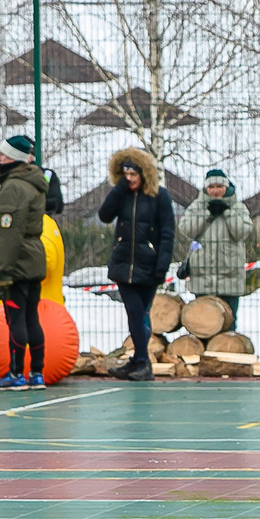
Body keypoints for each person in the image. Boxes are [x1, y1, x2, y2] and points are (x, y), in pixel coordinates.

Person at [98, 145, 175, 381]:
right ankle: (140, 361)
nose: (129, 179)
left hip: (148, 265)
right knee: (134, 312)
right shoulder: (122, 195)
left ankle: (142, 362)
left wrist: (161, 266)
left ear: (144, 174)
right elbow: (104, 215)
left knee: (141, 314)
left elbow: (167, 233)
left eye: (133, 174)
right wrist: (118, 190)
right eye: (125, 174)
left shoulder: (159, 197)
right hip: (123, 265)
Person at [0, 134, 50, 390]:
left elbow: (7, 231)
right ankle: (37, 373)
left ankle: (16, 374)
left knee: (16, 319)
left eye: (3, 155)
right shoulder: (33, 183)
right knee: (32, 317)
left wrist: (4, 269)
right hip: (33, 258)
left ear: (14, 158)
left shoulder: (13, 187)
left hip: (16, 263)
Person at [174, 166, 253, 315]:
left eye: (219, 186)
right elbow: (186, 229)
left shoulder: (238, 207)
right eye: (211, 187)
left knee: (228, 329)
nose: (215, 190)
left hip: (230, 280)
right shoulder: (197, 206)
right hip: (202, 280)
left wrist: (227, 212)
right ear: (206, 188)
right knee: (203, 325)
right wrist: (207, 214)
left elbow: (242, 232)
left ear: (226, 187)